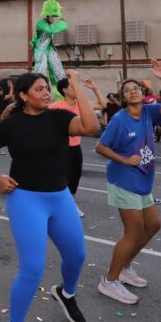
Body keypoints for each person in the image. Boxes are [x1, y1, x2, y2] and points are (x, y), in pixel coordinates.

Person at [0, 71, 98, 322]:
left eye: (48, 88)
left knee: (77, 255)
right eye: (40, 89)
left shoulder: (59, 117)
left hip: (60, 197)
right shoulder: (11, 124)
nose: (47, 93)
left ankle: (66, 293)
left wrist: (76, 87)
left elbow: (91, 126)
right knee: (32, 270)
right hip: (25, 199)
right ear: (23, 95)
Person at [94, 60, 161, 305]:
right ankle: (109, 281)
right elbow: (100, 146)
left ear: (143, 93)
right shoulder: (120, 119)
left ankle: (124, 267)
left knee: (153, 225)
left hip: (143, 178)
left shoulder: (148, 112)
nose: (133, 92)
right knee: (133, 232)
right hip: (124, 179)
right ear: (123, 98)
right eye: (127, 90)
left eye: (136, 88)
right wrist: (123, 159)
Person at [48, 75, 105, 216]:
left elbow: (102, 105)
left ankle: (71, 204)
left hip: (76, 148)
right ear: (65, 90)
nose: (76, 88)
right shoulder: (55, 106)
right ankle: (58, 207)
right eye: (73, 86)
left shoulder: (81, 105)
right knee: (61, 178)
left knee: (75, 176)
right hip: (60, 149)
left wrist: (94, 88)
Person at [30, 0, 68, 100]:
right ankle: (38, 96)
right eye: (53, 16)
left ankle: (60, 97)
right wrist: (61, 23)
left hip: (49, 49)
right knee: (40, 73)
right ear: (47, 15)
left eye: (55, 16)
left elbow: (52, 30)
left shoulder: (51, 25)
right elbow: (51, 31)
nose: (54, 19)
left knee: (58, 72)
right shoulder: (40, 24)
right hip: (41, 51)